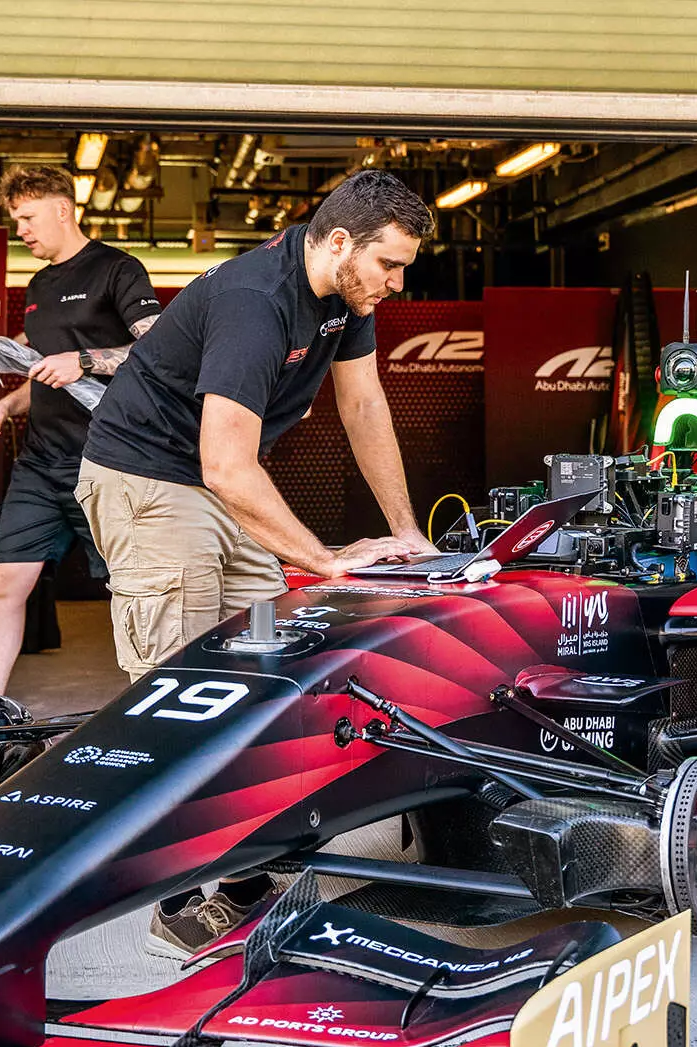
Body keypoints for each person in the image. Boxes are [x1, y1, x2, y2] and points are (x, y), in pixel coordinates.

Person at [77, 169, 437, 956]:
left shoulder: (347, 299)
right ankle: (172, 910)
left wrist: (407, 533)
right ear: (341, 242)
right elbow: (227, 467)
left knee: (264, 684)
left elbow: (364, 405)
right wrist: (325, 562)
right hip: (153, 482)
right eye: (390, 264)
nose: (397, 283)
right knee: (177, 700)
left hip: (221, 483)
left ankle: (240, 880)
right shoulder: (255, 302)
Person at [0, 166, 161, 696]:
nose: (22, 231)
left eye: (28, 218)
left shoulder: (116, 270)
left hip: (108, 461)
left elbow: (159, 352)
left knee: (131, 590)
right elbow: (44, 373)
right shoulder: (38, 285)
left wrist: (85, 359)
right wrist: (9, 405)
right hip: (40, 461)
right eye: (16, 221)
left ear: (62, 209)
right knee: (6, 584)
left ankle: (149, 701)